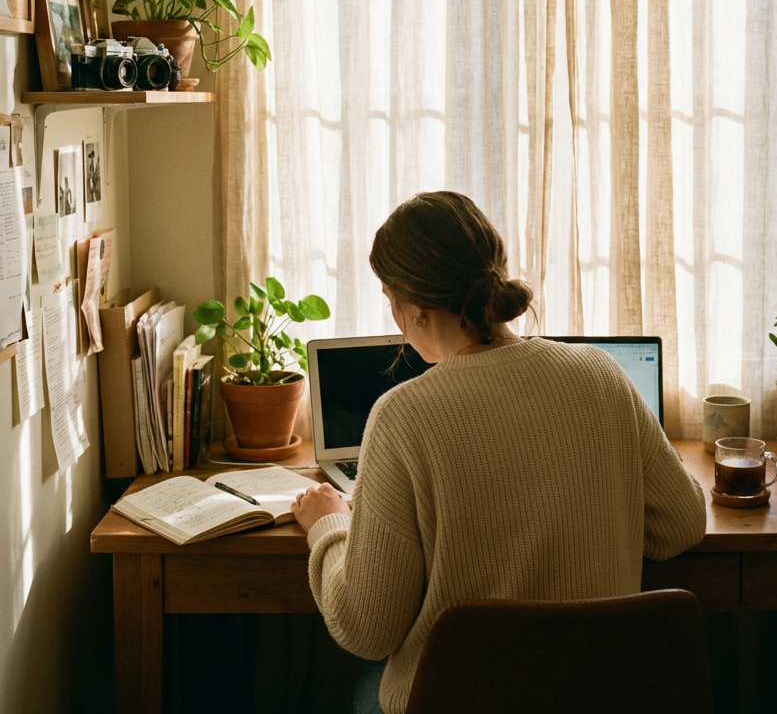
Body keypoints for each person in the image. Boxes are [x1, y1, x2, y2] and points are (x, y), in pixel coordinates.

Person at [291, 191, 706, 714]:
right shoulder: (600, 374)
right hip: (600, 697)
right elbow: (683, 522)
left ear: (414, 308)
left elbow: (366, 630)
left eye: (390, 300)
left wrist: (330, 527)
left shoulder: (403, 416)